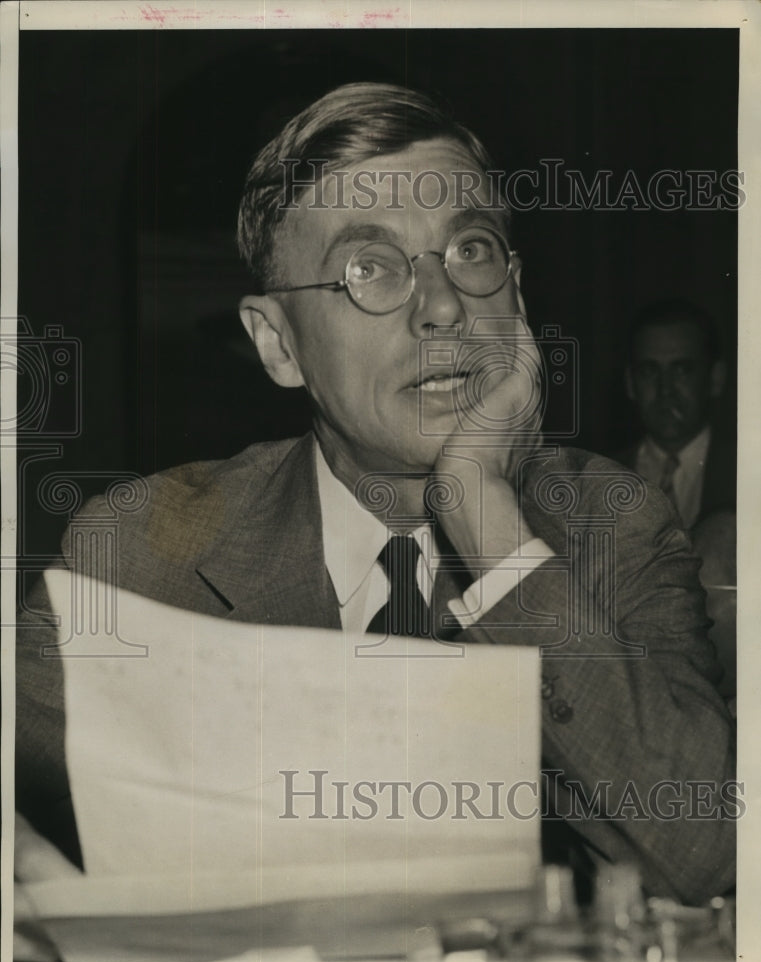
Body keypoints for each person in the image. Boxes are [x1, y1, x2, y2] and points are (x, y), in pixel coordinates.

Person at [16, 83, 736, 909]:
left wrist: (488, 525)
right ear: (277, 344)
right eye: (368, 268)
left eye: (470, 250)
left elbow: (709, 852)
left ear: (516, 296)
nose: (443, 307)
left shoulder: (614, 526)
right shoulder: (142, 549)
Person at [621, 298, 736, 531]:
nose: (665, 390)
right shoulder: (596, 479)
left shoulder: (746, 470)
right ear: (631, 384)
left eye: (682, 370)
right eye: (649, 371)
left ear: (715, 379)